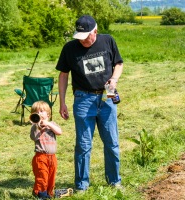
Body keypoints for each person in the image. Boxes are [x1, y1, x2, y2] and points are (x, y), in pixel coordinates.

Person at [56, 15, 123, 192]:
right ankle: (81, 186)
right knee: (84, 145)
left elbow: (118, 63)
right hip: (83, 100)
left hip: (106, 99)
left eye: (87, 36)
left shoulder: (108, 41)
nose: (83, 40)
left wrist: (114, 80)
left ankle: (114, 182)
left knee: (112, 142)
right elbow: (63, 75)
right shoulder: (69, 48)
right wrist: (62, 102)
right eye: (80, 36)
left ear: (95, 31)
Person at [30, 101, 62, 199]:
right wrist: (38, 127)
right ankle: (40, 194)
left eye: (42, 111)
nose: (39, 113)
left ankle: (49, 193)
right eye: (36, 112)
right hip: (41, 156)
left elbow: (59, 132)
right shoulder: (35, 127)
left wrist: (48, 124)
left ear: (48, 114)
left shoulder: (52, 124)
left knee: (51, 177)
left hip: (52, 157)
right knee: (42, 176)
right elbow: (33, 137)